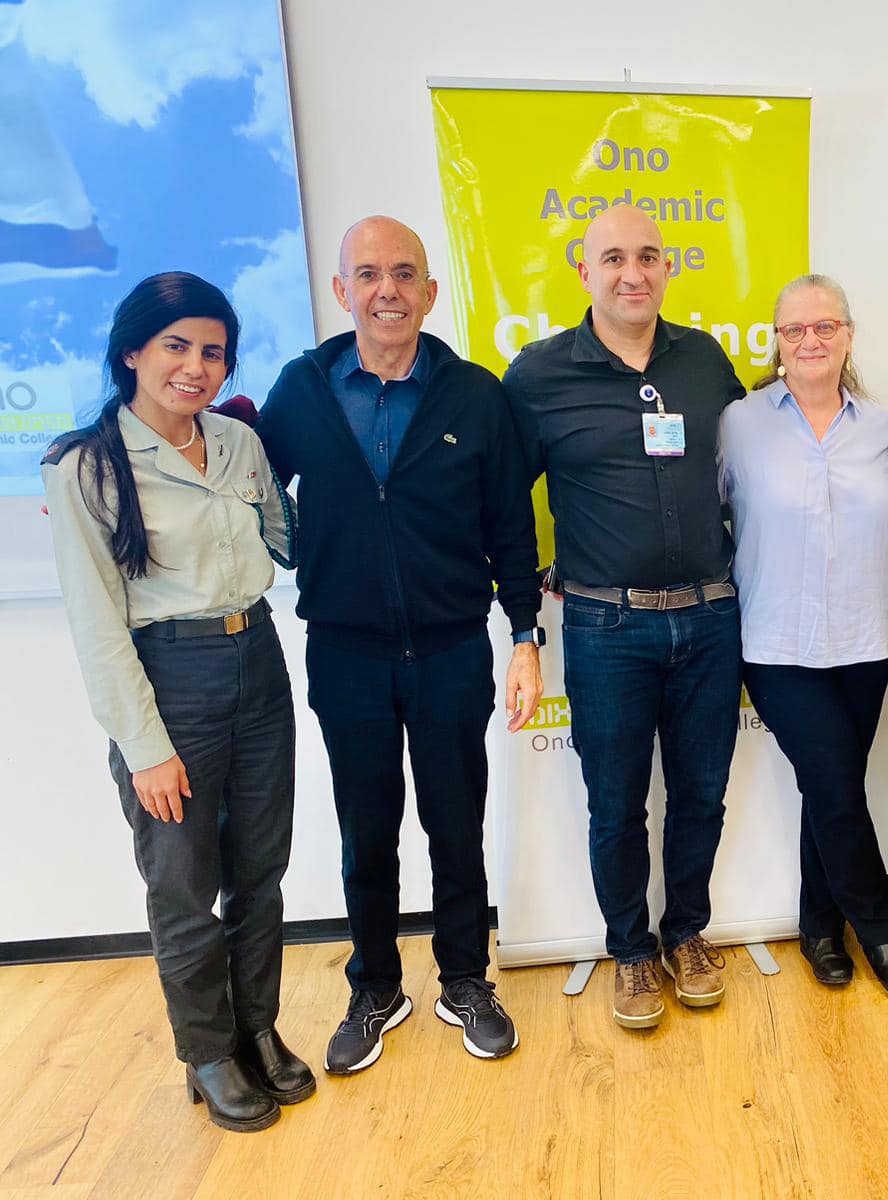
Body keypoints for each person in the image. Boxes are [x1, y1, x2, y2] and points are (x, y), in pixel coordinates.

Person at [256, 216, 541, 1071]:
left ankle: (466, 980)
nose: (388, 290)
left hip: (452, 649)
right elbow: (235, 475)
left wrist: (525, 634)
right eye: (369, 274)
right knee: (366, 830)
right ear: (341, 291)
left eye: (405, 273)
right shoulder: (302, 389)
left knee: (456, 825)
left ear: (430, 291)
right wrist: (108, 467)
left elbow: (511, 526)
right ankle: (375, 987)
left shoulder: (475, 395)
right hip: (346, 653)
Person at [42, 272, 310, 1132]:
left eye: (214, 352)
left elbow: (286, 543)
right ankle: (207, 1051)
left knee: (260, 873)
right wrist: (145, 746)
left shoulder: (236, 441)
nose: (196, 367)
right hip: (169, 679)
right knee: (184, 883)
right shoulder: (86, 466)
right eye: (177, 346)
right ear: (132, 351)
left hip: (257, 659)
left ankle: (258, 1028)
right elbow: (96, 623)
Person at [503, 204, 746, 1029]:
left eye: (648, 256)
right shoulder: (538, 376)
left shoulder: (704, 360)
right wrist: (525, 612)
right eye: (613, 258)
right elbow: (504, 505)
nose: (632, 273)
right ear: (584, 271)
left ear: (668, 267)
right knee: (615, 805)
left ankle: (686, 935)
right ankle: (632, 952)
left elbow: (750, 470)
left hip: (712, 620)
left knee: (702, 795)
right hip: (606, 629)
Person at [720, 274, 888, 998]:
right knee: (837, 785)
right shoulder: (738, 424)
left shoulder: (887, 431)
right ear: (776, 340)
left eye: (825, 327)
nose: (810, 340)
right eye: (795, 329)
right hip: (775, 643)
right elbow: (691, 514)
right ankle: (880, 932)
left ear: (848, 335)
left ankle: (819, 928)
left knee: (828, 787)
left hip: (867, 640)